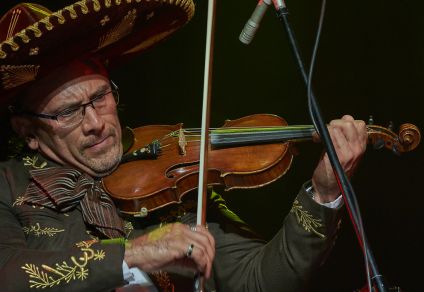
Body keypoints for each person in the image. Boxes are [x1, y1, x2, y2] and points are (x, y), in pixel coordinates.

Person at [0, 1, 368, 291]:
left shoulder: (172, 182)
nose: (95, 124)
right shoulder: (8, 185)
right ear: (28, 131)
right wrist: (135, 253)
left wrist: (323, 195)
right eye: (67, 113)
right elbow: (8, 277)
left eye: (100, 97)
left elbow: (257, 280)